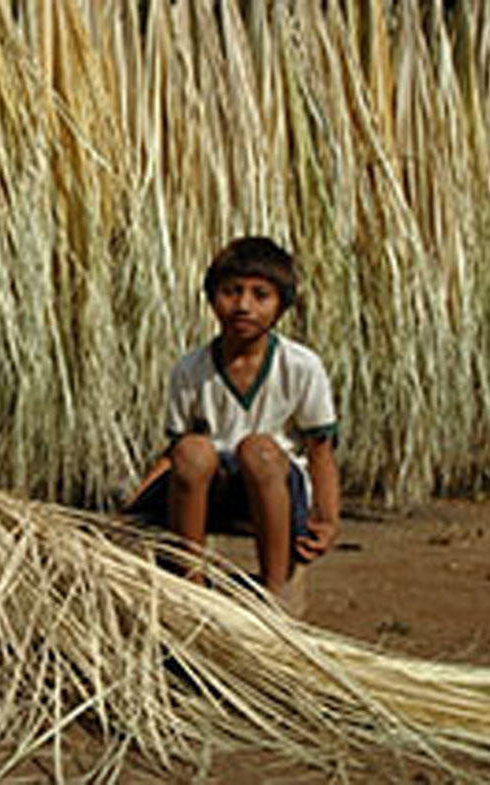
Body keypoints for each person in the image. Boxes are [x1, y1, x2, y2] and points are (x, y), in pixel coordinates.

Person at [125, 236, 340, 604]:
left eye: (260, 295)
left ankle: (276, 590)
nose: (243, 306)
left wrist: (328, 520)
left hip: (274, 483)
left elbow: (320, 451)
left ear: (281, 306)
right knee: (192, 450)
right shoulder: (190, 369)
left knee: (258, 450)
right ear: (212, 299)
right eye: (231, 291)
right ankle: (190, 587)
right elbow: (174, 452)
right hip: (211, 484)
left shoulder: (301, 366)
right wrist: (134, 506)